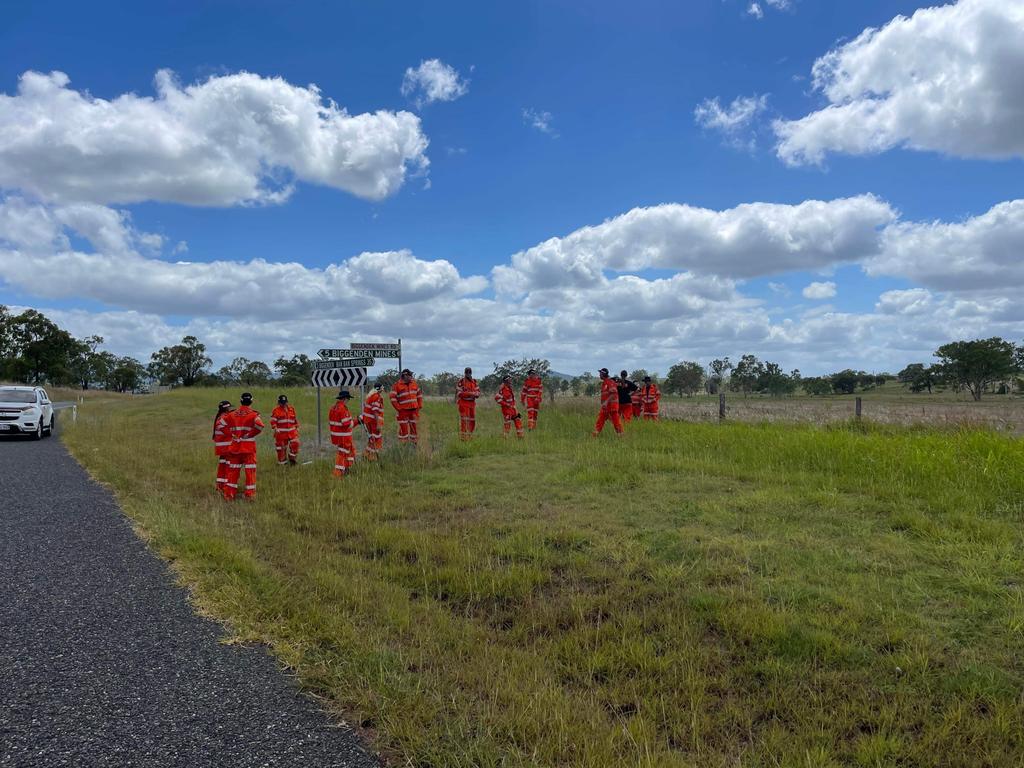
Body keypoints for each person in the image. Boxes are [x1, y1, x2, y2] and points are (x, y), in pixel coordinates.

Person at [223, 392, 264, 500]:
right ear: (251, 401)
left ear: (241, 401)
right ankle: (250, 495)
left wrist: (231, 434)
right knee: (250, 472)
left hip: (235, 448)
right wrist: (249, 435)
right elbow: (260, 426)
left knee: (232, 472)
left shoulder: (231, 414)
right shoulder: (254, 414)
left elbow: (221, 424)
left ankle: (229, 495)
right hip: (248, 448)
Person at [389, 368, 423, 445]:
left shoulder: (414, 383)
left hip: (414, 410)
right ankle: (403, 445)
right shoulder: (397, 385)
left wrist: (419, 405)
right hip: (403, 411)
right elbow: (392, 398)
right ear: (405, 376)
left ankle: (414, 444)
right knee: (403, 429)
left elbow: (419, 395)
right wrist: (398, 408)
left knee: (414, 428)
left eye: (411, 375)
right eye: (410, 375)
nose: (411, 376)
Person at [329, 390, 356, 477]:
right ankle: (338, 473)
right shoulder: (342, 408)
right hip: (343, 436)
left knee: (349, 452)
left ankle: (346, 469)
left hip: (336, 436)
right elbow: (346, 424)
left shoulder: (333, 408)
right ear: (345, 399)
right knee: (343, 453)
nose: (348, 401)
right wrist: (357, 421)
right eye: (348, 399)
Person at [592, 368, 624, 437]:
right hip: (606, 407)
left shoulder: (610, 382)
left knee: (616, 422)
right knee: (600, 420)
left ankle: (621, 435)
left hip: (612, 407)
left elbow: (613, 393)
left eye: (600, 373)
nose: (599, 375)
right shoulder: (604, 383)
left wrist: (606, 402)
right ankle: (595, 434)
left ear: (603, 374)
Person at [270, 394, 300, 466]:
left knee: (296, 444)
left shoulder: (291, 409)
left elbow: (295, 419)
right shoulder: (276, 410)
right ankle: (282, 464)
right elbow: (273, 421)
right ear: (279, 403)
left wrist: (297, 426)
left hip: (292, 433)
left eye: (284, 402)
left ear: (287, 402)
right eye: (282, 403)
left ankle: (292, 460)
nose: (283, 404)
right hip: (281, 434)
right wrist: (275, 428)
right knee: (281, 449)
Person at [212, 400, 233, 495]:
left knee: (222, 466)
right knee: (228, 466)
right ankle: (225, 486)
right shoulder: (223, 418)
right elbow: (229, 432)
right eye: (229, 408)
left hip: (222, 447)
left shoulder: (219, 417)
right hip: (226, 447)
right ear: (226, 408)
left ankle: (220, 485)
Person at [360, 382, 385, 460]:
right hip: (373, 422)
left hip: (368, 421)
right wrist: (378, 424)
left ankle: (366, 455)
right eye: (382, 388)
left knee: (371, 439)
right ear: (380, 389)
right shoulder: (377, 397)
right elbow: (375, 411)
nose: (383, 389)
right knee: (376, 439)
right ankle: (372, 457)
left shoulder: (370, 396)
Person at [456, 367, 481, 440]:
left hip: (472, 404)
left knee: (472, 421)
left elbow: (478, 392)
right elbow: (460, 394)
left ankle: (470, 436)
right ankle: (463, 438)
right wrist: (471, 393)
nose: (468, 374)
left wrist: (476, 394)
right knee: (464, 421)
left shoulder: (474, 381)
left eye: (469, 372)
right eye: (467, 372)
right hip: (463, 404)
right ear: (465, 373)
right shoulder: (461, 381)